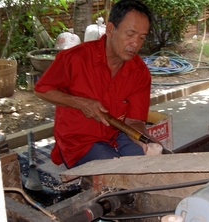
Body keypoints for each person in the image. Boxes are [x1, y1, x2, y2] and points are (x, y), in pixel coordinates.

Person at [34, 0, 155, 169]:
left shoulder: (139, 72)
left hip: (116, 134)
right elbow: (41, 90)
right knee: (117, 174)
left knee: (151, 164)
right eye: (130, 34)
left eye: (141, 37)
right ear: (111, 29)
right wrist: (80, 103)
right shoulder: (74, 58)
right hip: (79, 142)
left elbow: (134, 122)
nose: (136, 43)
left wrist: (147, 142)